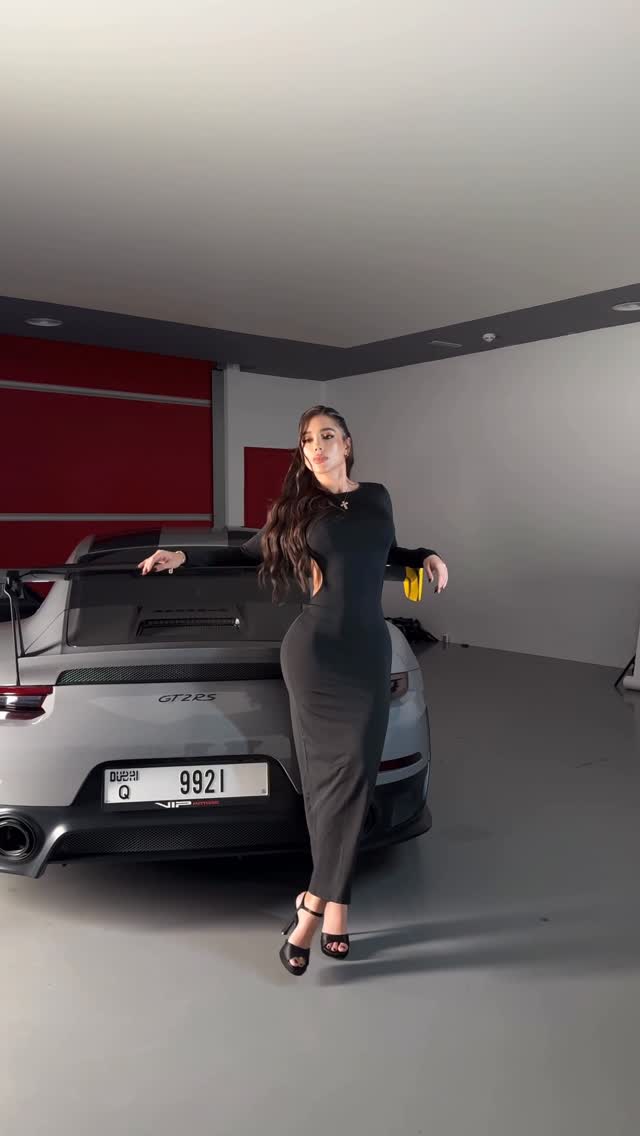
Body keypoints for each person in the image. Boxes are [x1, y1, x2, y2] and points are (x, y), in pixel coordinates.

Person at [139, 405, 448, 976]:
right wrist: (182, 556)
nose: (317, 446)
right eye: (308, 440)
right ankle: (331, 913)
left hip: (367, 652)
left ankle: (314, 904)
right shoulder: (297, 510)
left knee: (355, 777)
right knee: (328, 785)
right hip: (315, 655)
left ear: (347, 444)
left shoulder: (377, 498)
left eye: (327, 436)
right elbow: (241, 555)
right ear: (304, 452)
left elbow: (384, 552)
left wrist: (423, 555)